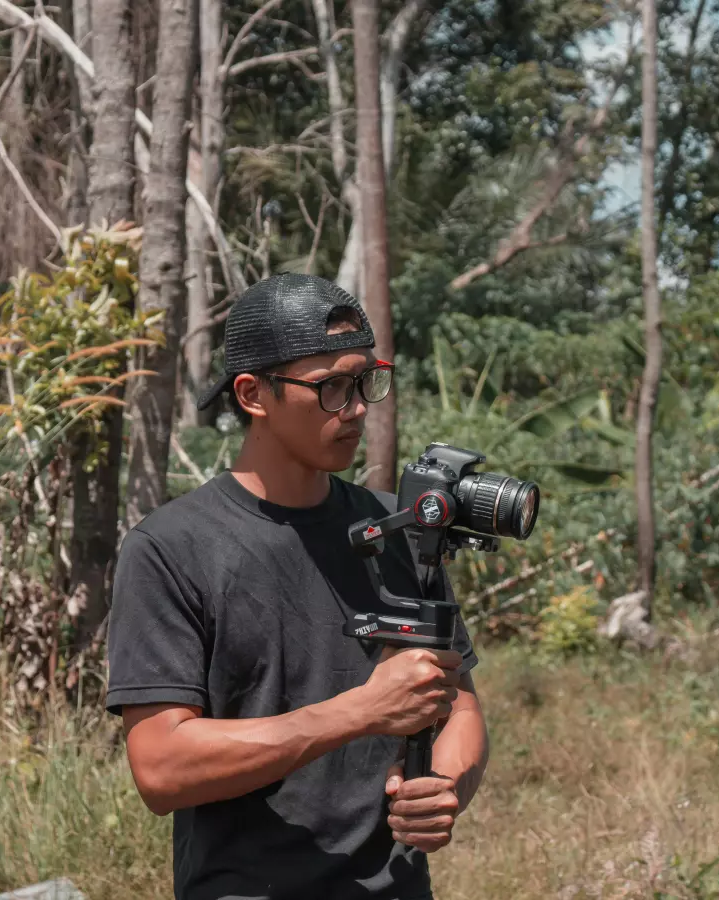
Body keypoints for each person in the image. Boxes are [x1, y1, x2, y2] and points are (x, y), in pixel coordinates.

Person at [105, 273, 489, 900]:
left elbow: (460, 707)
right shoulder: (172, 548)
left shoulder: (398, 529)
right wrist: (359, 713)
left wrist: (445, 785)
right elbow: (160, 766)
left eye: (366, 380)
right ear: (253, 394)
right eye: (331, 387)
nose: (359, 407)